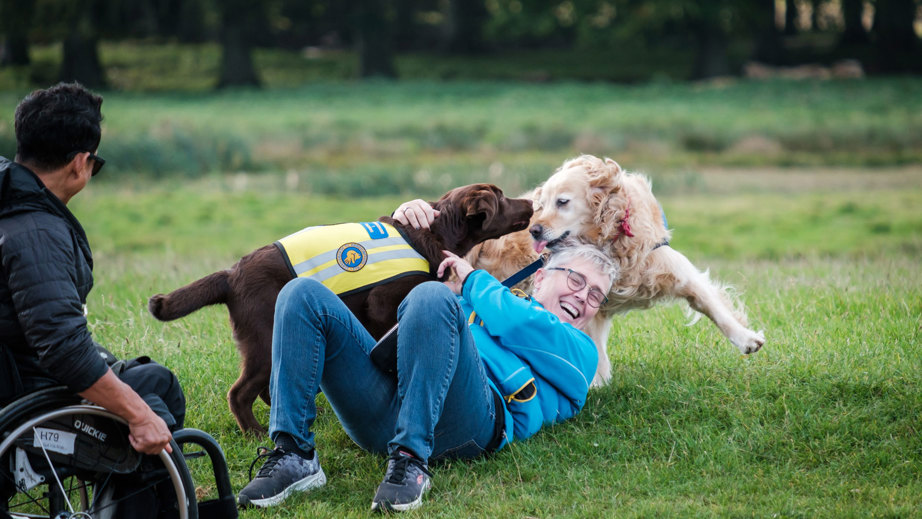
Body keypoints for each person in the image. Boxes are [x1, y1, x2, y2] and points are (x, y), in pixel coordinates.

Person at [237, 199, 617, 513]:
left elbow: (519, 325)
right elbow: (449, 234)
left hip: (469, 422)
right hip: (384, 408)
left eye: (595, 296)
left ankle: (410, 461)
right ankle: (293, 452)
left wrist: (470, 281)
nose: (583, 298)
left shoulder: (580, 352)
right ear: (542, 276)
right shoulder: (487, 299)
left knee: (430, 295)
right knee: (301, 293)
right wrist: (413, 213)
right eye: (576, 280)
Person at [0, 83, 185, 453]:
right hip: (23, 395)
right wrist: (138, 414)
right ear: (80, 163)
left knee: (146, 379)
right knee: (155, 392)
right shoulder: (37, 233)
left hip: (14, 369)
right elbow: (63, 350)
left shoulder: (9, 200)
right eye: (95, 163)